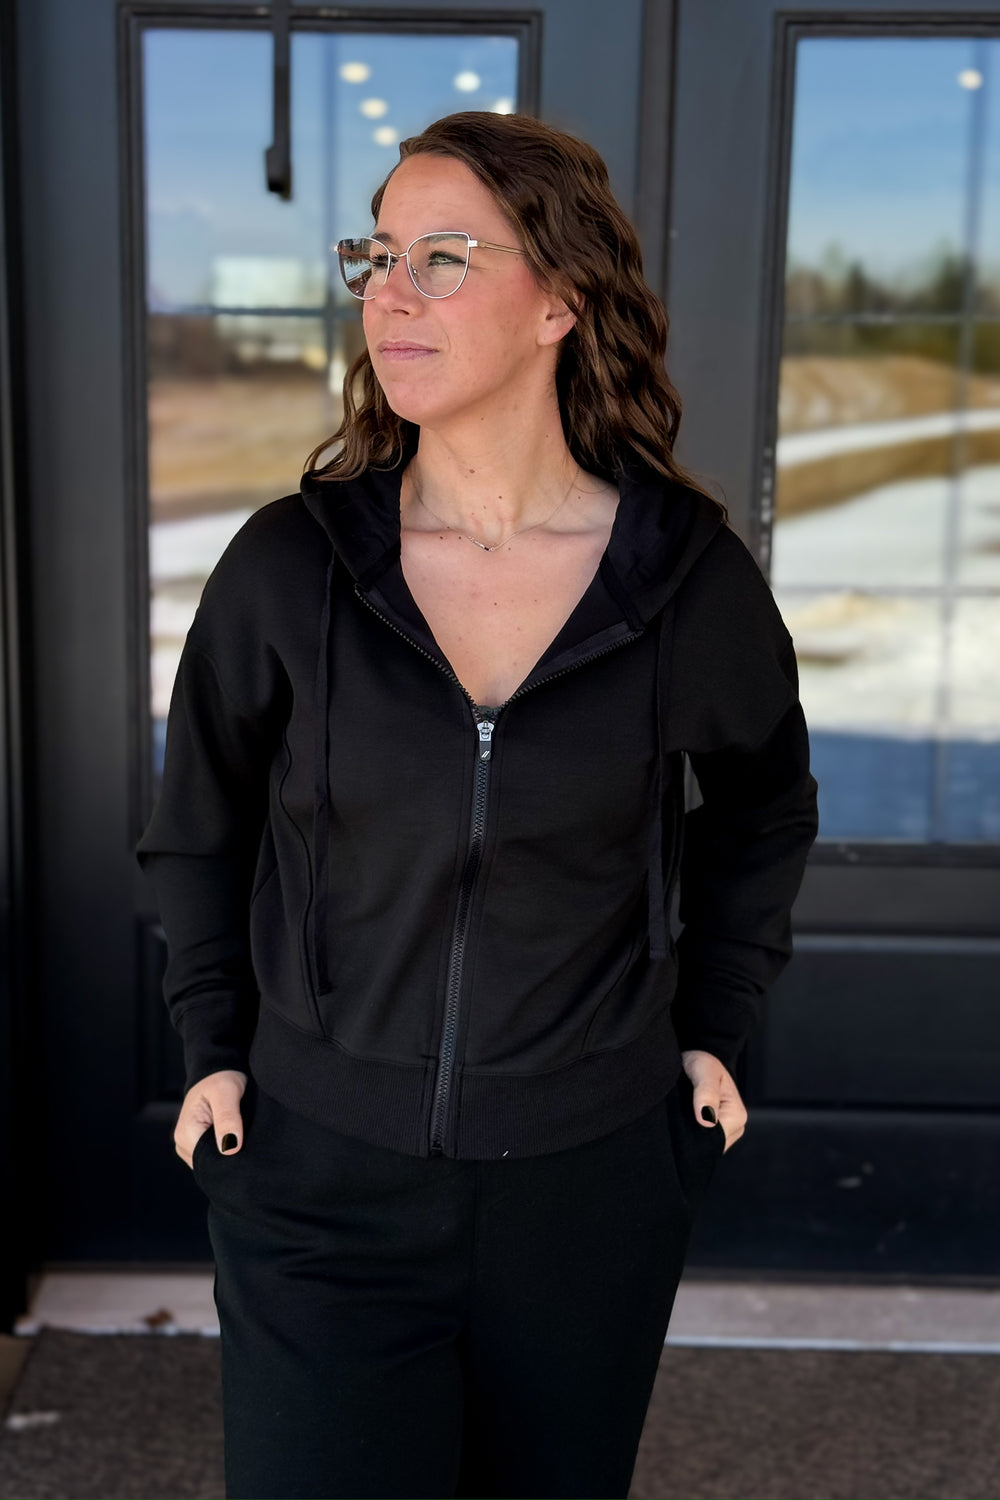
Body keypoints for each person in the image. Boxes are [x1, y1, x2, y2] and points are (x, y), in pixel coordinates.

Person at [137, 110, 819, 1500]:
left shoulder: (683, 581)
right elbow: (199, 822)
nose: (391, 292)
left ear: (560, 298)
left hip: (588, 1188)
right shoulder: (293, 567)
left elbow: (763, 811)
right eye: (377, 255)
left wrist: (712, 1026)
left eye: (443, 257)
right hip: (319, 1181)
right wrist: (214, 1042)